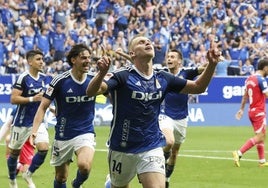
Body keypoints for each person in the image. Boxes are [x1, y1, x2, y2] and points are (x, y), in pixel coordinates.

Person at [86, 34, 222, 188]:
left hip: (151, 145)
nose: (147, 42)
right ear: (132, 53)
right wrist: (101, 73)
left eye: (148, 41)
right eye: (141, 42)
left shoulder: (164, 77)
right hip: (122, 147)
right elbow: (91, 92)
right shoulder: (122, 75)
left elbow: (198, 87)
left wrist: (212, 65)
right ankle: (111, 183)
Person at [30, 43, 97, 188]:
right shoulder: (60, 80)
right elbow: (43, 107)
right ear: (73, 60)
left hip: (85, 131)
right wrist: (34, 131)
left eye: (89, 58)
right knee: (61, 177)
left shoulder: (94, 79)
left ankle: (77, 184)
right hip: (63, 134)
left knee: (84, 165)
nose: (87, 61)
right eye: (83, 57)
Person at [159, 49, 205, 188]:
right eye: (168, 56)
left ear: (179, 61)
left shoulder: (186, 72)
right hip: (165, 114)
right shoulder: (162, 73)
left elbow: (203, 69)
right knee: (169, 141)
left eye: (173, 57)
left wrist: (212, 62)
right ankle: (156, 165)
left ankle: (166, 178)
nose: (169, 59)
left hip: (181, 118)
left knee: (175, 153)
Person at [7, 49, 51, 188]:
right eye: (38, 59)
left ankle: (28, 173)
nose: (41, 62)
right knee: (14, 152)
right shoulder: (23, 78)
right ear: (30, 61)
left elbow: (43, 100)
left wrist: (52, 108)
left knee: (43, 148)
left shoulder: (44, 78)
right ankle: (12, 179)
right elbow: (13, 99)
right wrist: (33, 98)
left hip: (37, 122)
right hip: (21, 122)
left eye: (42, 59)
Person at [233, 58, 268, 167]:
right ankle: (239, 153)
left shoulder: (249, 79)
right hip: (259, 111)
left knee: (260, 135)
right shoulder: (261, 80)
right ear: (265, 68)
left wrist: (241, 109)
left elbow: (245, 96)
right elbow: (267, 94)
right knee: (261, 136)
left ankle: (262, 161)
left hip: (251, 111)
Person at [0, 107, 35, 175]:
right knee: (8, 138)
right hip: (17, 137)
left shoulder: (36, 109)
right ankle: (15, 164)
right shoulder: (16, 109)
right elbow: (7, 125)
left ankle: (19, 165)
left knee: (26, 172)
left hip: (28, 142)